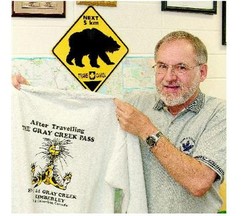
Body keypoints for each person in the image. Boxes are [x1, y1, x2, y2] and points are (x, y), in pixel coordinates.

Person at [12, 31, 226, 213]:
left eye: (181, 67)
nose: (169, 77)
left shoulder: (219, 114)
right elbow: (80, 121)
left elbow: (199, 183)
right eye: (162, 66)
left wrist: (146, 129)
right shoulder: (136, 104)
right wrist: (32, 98)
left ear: (203, 72)